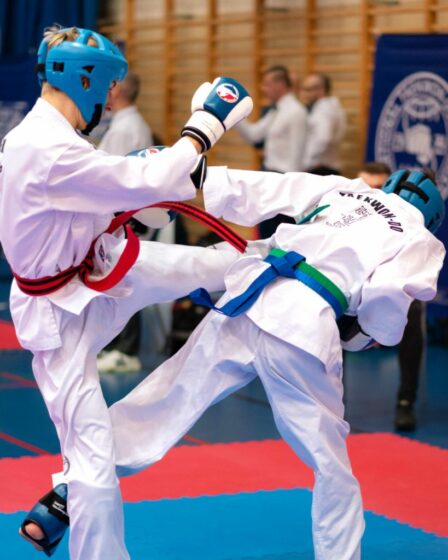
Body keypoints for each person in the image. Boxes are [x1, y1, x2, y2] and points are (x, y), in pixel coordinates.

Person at [0, 24, 253, 560]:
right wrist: (205, 124)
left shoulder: (53, 139)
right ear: (85, 79)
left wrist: (129, 208)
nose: (112, 99)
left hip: (95, 275)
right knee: (93, 463)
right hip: (58, 319)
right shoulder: (44, 146)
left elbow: (98, 199)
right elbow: (150, 180)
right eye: (110, 86)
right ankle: (80, 509)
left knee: (215, 265)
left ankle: (290, 271)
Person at [105, 167, 445, 559]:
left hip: (252, 295)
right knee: (330, 465)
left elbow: (268, 186)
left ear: (388, 185)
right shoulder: (420, 238)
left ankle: (75, 483)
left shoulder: (345, 188)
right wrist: (369, 332)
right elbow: (388, 293)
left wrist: (200, 178)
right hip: (303, 326)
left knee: (169, 394)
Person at [359, 162, 427, 431]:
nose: (372, 192)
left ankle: (405, 402)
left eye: (378, 187)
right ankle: (329, 400)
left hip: (390, 287)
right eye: (366, 187)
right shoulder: (346, 211)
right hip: (352, 287)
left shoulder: (408, 224)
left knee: (413, 312)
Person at [96, 70, 153, 373]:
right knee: (120, 281)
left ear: (116, 92)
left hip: (124, 217)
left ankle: (126, 350)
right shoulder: (130, 124)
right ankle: (118, 347)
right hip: (128, 216)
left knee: (125, 281)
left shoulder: (125, 128)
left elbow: (110, 179)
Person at [300, 73, 346, 175]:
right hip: (327, 165)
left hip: (320, 167)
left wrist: (309, 162)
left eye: (307, 89)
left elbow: (323, 138)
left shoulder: (323, 109)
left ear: (321, 90)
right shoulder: (333, 106)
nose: (303, 94)